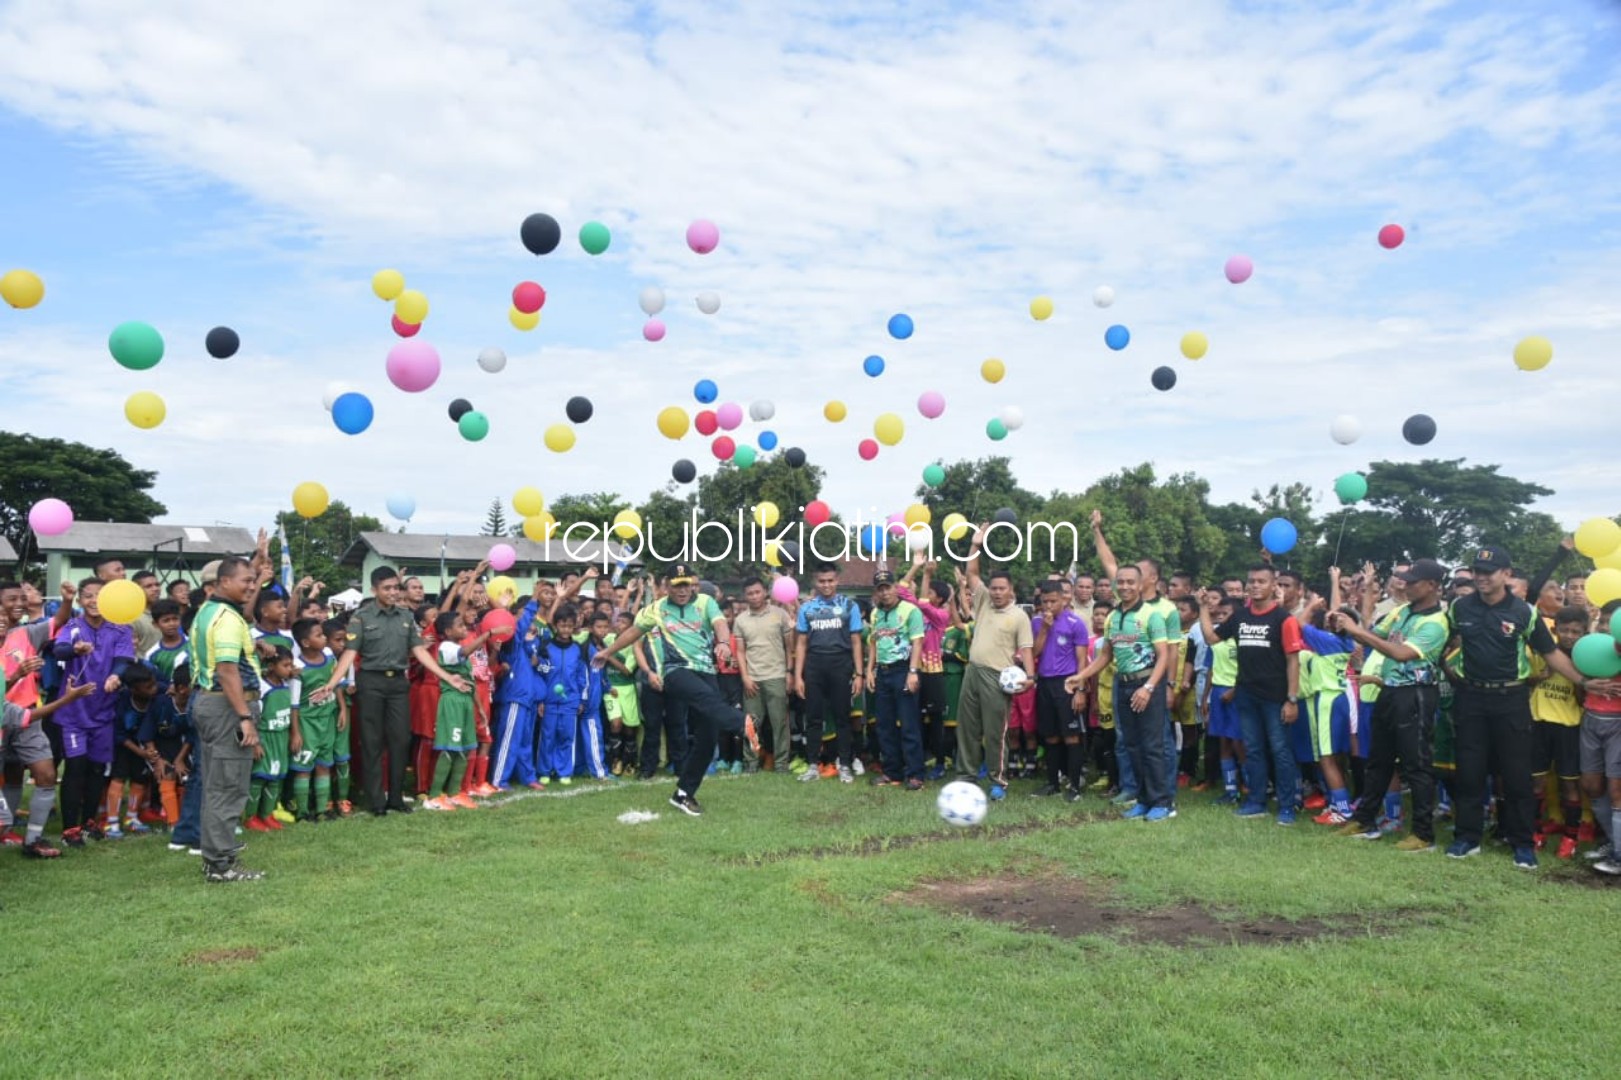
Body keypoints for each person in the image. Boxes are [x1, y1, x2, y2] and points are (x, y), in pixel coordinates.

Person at [1445, 545, 1595, 869]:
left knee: (1517, 776)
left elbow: (1551, 653)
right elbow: (1449, 644)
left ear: (1506, 574)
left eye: (1489, 571)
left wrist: (1583, 681)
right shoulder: (1460, 608)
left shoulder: (1523, 612)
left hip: (1511, 700)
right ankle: (1466, 838)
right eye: (1478, 571)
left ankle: (1522, 843)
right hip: (1471, 698)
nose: (1482, 577)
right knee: (1469, 772)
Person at [589, 564, 758, 817]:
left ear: (693, 584)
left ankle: (683, 794)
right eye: (677, 585)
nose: (682, 590)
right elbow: (633, 632)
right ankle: (740, 722)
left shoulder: (705, 602)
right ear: (667, 585)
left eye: (686, 585)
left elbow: (721, 624)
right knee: (704, 699)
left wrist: (723, 642)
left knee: (708, 735)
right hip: (675, 670)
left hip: (706, 670)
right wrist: (606, 652)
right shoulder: (656, 609)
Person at [324, 565, 470, 816]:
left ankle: (395, 798)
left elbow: (419, 651)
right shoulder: (361, 617)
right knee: (372, 743)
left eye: (395, 587)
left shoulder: (405, 617)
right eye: (386, 588)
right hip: (370, 683)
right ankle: (376, 801)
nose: (392, 592)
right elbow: (349, 653)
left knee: (400, 741)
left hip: (397, 685)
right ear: (374, 589)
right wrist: (331, 683)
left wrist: (447, 676)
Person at [1331, 559, 1450, 853]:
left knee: (1417, 765)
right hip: (1390, 691)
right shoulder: (1402, 611)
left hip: (1416, 695)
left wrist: (1358, 633)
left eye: (1413, 581)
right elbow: (1378, 634)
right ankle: (1365, 821)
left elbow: (1400, 653)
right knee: (1378, 760)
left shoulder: (1436, 623)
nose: (1406, 585)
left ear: (1433, 586)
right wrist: (1348, 626)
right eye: (1405, 580)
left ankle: (1423, 835)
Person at [1198, 565, 1305, 825]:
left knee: (1280, 751)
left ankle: (1287, 805)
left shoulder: (1284, 619)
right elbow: (1212, 638)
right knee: (1253, 750)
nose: (1255, 585)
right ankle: (1256, 801)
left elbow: (1293, 661)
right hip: (1245, 695)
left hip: (1275, 697)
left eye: (1261, 581)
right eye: (1251, 581)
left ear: (1273, 585)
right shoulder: (1240, 617)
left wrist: (1291, 699)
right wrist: (1203, 607)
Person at [189, 552, 269, 882]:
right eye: (247, 581)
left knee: (216, 785)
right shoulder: (225, 618)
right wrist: (244, 718)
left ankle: (216, 856)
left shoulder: (211, 610)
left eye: (254, 580)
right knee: (228, 787)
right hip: (226, 707)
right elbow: (226, 670)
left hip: (212, 704)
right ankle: (220, 865)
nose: (252, 587)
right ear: (224, 582)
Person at [1068, 566, 1171, 820]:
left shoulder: (1152, 615)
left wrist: (1148, 688)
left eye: (1129, 582)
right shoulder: (1113, 617)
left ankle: (1162, 802)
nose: (1124, 586)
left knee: (1152, 746)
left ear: (1140, 585)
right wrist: (1081, 676)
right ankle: (1143, 800)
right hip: (1122, 685)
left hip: (1147, 684)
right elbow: (1106, 656)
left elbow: (1164, 656)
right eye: (1120, 582)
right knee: (1132, 745)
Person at [52, 578, 136, 846]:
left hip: (104, 712)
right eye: (88, 596)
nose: (93, 601)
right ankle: (69, 829)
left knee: (97, 770)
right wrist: (74, 650)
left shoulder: (121, 628)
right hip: (74, 713)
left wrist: (116, 676)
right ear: (79, 600)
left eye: (99, 596)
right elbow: (59, 649)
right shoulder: (74, 626)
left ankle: (89, 822)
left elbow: (123, 660)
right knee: (75, 768)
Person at [957, 525, 1035, 801]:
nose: (997, 593)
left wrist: (1031, 677)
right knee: (966, 727)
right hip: (972, 672)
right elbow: (971, 573)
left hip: (998, 677)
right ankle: (966, 776)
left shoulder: (1019, 616)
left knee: (995, 732)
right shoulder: (983, 602)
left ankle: (998, 780)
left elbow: (1026, 649)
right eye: (994, 588)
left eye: (1002, 589)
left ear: (1011, 590)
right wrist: (975, 545)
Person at [1, 578, 74, 857]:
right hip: (2, 717)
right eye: (12, 600)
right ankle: (6, 832)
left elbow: (58, 621)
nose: (19, 604)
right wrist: (17, 673)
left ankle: (34, 839)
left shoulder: (26, 633)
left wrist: (67, 600)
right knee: (12, 775)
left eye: (22, 598)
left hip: (30, 715)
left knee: (46, 773)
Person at [0, 677, 94, 857]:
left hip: (24, 715)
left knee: (45, 775)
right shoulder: (7, 708)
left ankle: (32, 841)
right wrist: (68, 699)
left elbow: (27, 716)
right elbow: (26, 717)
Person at [1528, 606, 1590, 858]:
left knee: (1569, 784)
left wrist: (1576, 676)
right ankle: (1536, 832)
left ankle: (1570, 836)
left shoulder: (1586, 658)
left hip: (1569, 727)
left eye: (1576, 631)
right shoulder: (1544, 652)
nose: (1570, 635)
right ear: (1555, 629)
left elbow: (1584, 697)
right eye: (1564, 630)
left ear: (1585, 632)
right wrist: (1541, 676)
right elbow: (1526, 680)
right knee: (1536, 782)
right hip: (1538, 723)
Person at [793, 563, 864, 783]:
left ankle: (844, 765)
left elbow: (856, 641)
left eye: (830, 580)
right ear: (816, 581)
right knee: (813, 718)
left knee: (843, 717)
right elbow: (802, 643)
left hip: (840, 665)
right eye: (822, 581)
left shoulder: (848, 606)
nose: (826, 585)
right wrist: (797, 676)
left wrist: (859, 674)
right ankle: (813, 765)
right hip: (814, 666)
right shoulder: (807, 608)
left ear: (837, 581)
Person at [866, 569, 927, 790]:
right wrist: (869, 670)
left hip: (904, 670)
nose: (884, 593)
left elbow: (917, 642)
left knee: (909, 724)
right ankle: (892, 772)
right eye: (880, 589)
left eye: (888, 587)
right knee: (884, 725)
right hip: (883, 672)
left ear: (896, 588)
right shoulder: (875, 614)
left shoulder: (911, 611)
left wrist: (913, 672)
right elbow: (873, 642)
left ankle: (915, 774)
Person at [421, 610, 487, 810]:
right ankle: (434, 797)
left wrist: (480, 709)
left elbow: (470, 682)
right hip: (452, 702)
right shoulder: (447, 647)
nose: (464, 628)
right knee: (449, 748)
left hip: (465, 702)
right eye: (459, 625)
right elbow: (464, 652)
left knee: (465, 748)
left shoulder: (457, 647)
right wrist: (488, 634)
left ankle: (454, 793)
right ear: (448, 631)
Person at [1031, 580, 1089, 801]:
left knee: (1071, 736)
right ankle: (1052, 783)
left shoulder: (1076, 623)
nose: (1049, 606)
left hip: (1068, 683)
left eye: (1053, 601)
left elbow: (1082, 660)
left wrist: (1080, 689)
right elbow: (1035, 653)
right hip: (1045, 683)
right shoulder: (1037, 622)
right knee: (1051, 736)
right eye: (1045, 602)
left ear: (1063, 599)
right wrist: (1045, 629)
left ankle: (1074, 787)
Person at [733, 577, 794, 773]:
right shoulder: (741, 620)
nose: (754, 596)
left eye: (757, 592)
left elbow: (789, 647)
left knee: (780, 724)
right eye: (750, 593)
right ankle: (750, 763)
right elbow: (740, 652)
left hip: (777, 675)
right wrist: (745, 677)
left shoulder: (780, 615)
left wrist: (789, 672)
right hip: (753, 679)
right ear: (745, 596)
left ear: (765, 592)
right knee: (751, 725)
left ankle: (781, 764)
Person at [290, 618, 347, 821]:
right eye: (319, 635)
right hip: (307, 722)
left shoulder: (329, 657)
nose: (324, 638)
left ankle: (322, 810)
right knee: (304, 767)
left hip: (328, 718)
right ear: (305, 643)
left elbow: (337, 684)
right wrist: (295, 732)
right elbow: (294, 704)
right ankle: (303, 812)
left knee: (324, 763)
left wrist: (341, 709)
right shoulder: (297, 666)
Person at [1580, 599, 1621, 876]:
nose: (1606, 626)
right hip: (1591, 720)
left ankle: (1619, 857)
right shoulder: (1593, 648)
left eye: (1611, 622)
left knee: (1618, 791)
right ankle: (1612, 843)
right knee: (1592, 785)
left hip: (1618, 724)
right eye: (1603, 621)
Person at [246, 645, 297, 833]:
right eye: (286, 665)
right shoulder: (262, 687)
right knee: (260, 777)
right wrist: (256, 742)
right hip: (266, 738)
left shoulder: (286, 684)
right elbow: (253, 717)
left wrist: (292, 734)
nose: (290, 669)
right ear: (272, 666)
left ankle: (267, 814)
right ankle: (250, 816)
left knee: (276, 778)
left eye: (291, 665)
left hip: (281, 737)